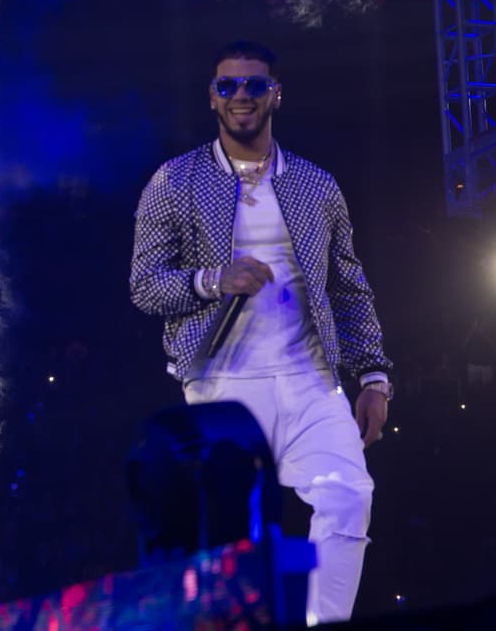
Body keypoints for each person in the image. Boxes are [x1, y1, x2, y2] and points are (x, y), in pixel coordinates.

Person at [129, 40, 392, 625]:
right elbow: (145, 286)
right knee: (226, 539)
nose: (241, 96)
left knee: (349, 497)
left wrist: (374, 375)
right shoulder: (175, 181)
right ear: (212, 99)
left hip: (311, 383)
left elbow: (348, 286)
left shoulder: (317, 185)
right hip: (222, 387)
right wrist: (211, 279)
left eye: (253, 85)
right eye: (228, 87)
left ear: (276, 93)